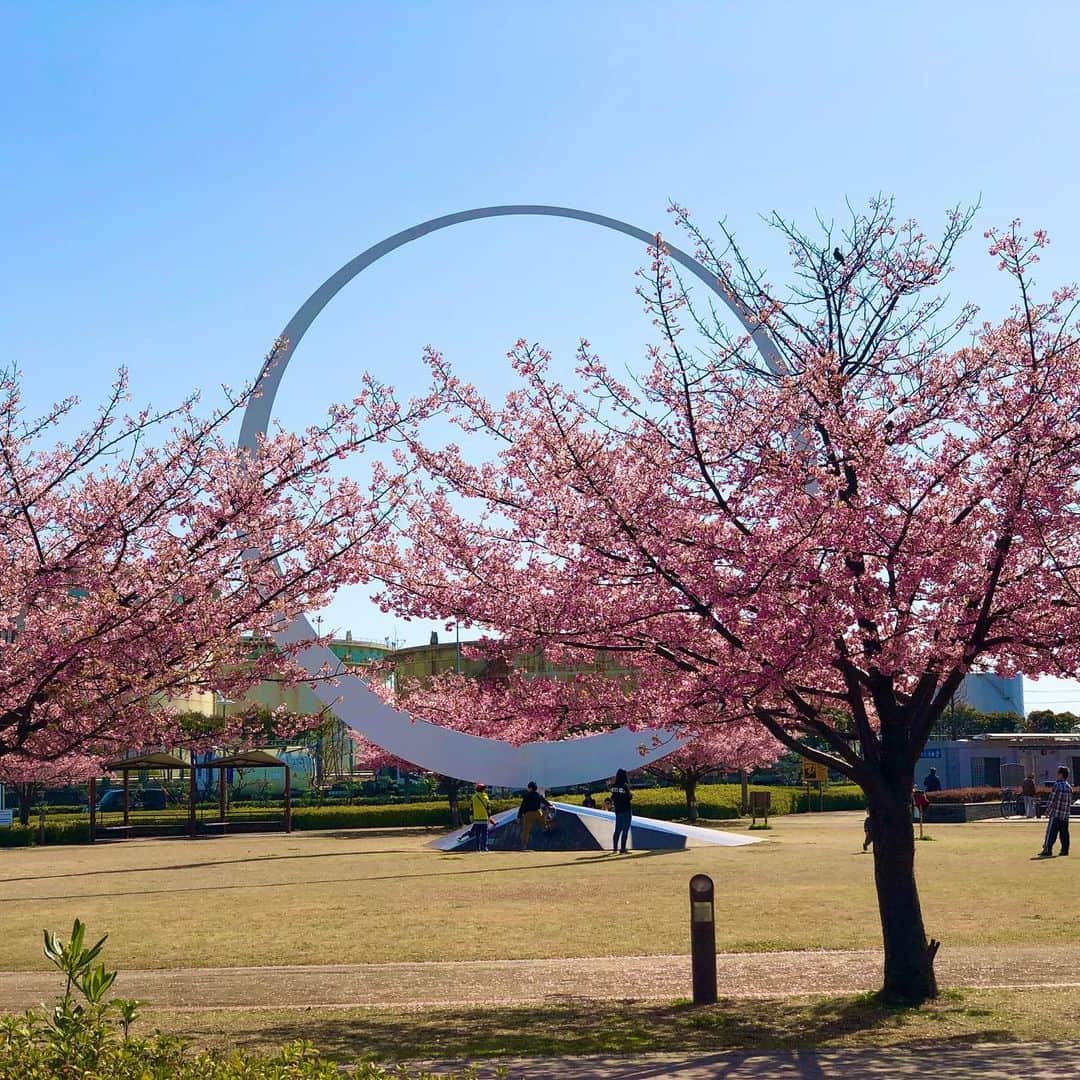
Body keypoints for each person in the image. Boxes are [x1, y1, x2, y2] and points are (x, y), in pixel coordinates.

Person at [1038, 766, 1072, 858]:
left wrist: (1047, 811)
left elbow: (1052, 800)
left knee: (1051, 833)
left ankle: (1047, 850)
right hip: (1065, 814)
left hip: (1056, 813)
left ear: (1061, 774)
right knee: (1064, 833)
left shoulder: (1057, 785)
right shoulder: (1069, 786)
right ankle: (1064, 850)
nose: (1056, 775)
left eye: (1057, 773)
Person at [516, 781, 550, 848]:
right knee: (542, 815)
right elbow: (544, 801)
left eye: (528, 788)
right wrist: (550, 805)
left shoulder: (526, 796)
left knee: (526, 830)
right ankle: (544, 827)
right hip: (537, 813)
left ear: (530, 788)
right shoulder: (538, 795)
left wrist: (518, 817)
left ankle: (524, 845)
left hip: (528, 814)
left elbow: (522, 807)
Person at [610, 768, 633, 854]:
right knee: (625, 829)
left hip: (618, 810)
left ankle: (615, 848)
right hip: (626, 809)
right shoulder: (625, 786)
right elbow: (629, 797)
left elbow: (613, 797)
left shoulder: (614, 787)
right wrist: (631, 794)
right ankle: (623, 848)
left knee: (618, 829)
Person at [470, 783, 493, 853]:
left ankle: (477, 848)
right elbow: (488, 808)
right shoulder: (485, 797)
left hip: (476, 818)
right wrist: (489, 816)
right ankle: (484, 847)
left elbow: (471, 808)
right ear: (483, 790)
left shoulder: (474, 797)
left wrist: (471, 816)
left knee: (477, 834)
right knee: (484, 834)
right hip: (484, 818)